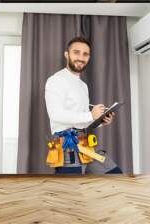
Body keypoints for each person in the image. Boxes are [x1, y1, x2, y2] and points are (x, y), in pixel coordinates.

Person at [45, 36, 115, 174]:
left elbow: (82, 121)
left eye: (85, 54)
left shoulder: (83, 86)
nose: (81, 57)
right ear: (67, 54)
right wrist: (91, 114)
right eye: (76, 52)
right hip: (67, 146)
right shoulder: (56, 80)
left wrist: (100, 121)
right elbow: (55, 114)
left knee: (112, 173)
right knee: (71, 192)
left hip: (86, 144)